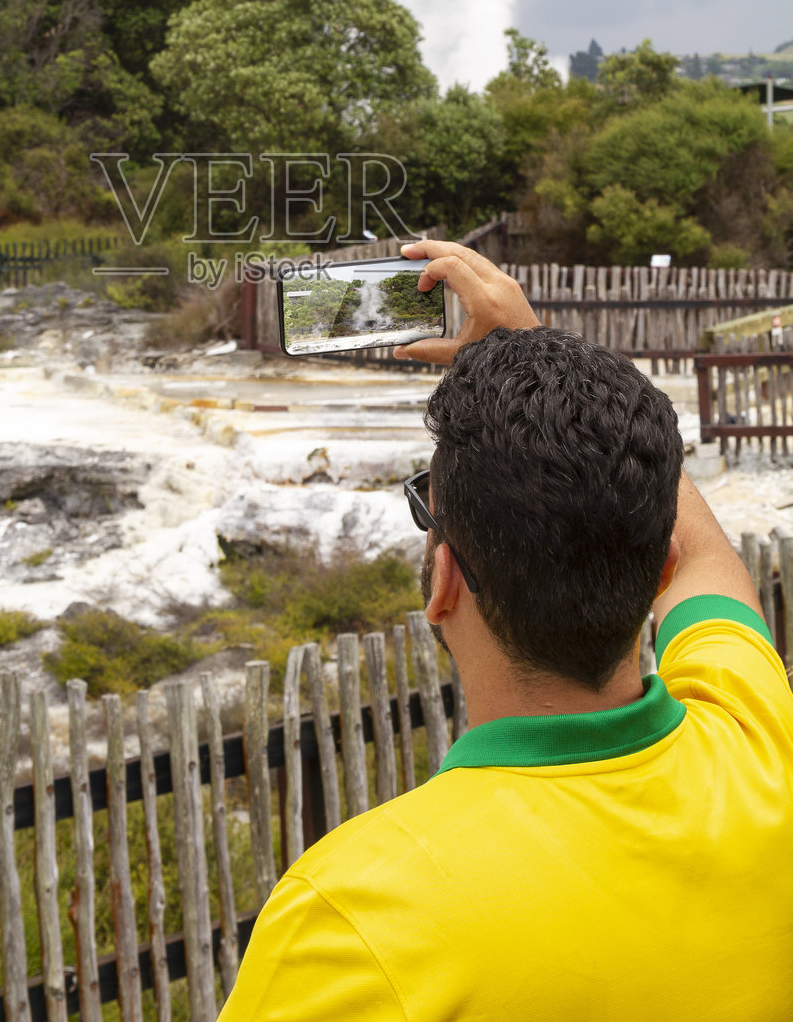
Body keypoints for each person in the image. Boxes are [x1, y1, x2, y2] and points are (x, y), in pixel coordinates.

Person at [218, 240, 793, 1021]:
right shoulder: (757, 744)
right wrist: (536, 356)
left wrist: (524, 352)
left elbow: (691, 552)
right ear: (656, 570)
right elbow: (704, 556)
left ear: (442, 584)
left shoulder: (353, 918)